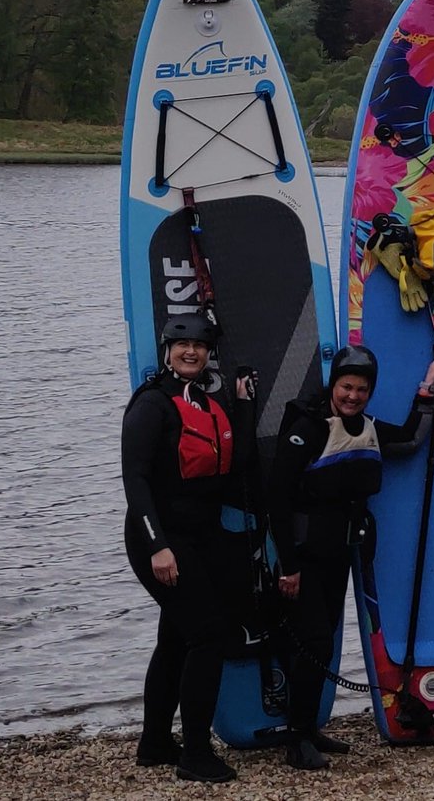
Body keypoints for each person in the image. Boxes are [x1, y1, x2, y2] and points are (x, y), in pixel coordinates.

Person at [266, 345, 434, 769]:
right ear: (333, 384)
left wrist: (427, 389)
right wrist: (288, 566)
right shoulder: (307, 428)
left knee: (324, 641)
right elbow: (276, 499)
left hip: (339, 555)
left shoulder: (367, 427)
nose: (352, 396)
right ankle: (296, 739)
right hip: (303, 559)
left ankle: (309, 728)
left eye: (362, 390)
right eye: (346, 387)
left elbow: (410, 438)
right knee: (313, 641)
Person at [122, 312, 254, 783]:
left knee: (177, 636)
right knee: (208, 634)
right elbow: (135, 481)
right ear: (167, 351)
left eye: (199, 346)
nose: (191, 352)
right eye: (182, 346)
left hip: (198, 537)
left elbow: (236, 465)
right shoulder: (151, 404)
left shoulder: (206, 403)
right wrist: (158, 547)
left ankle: (155, 742)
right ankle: (196, 753)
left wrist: (243, 406)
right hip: (157, 538)